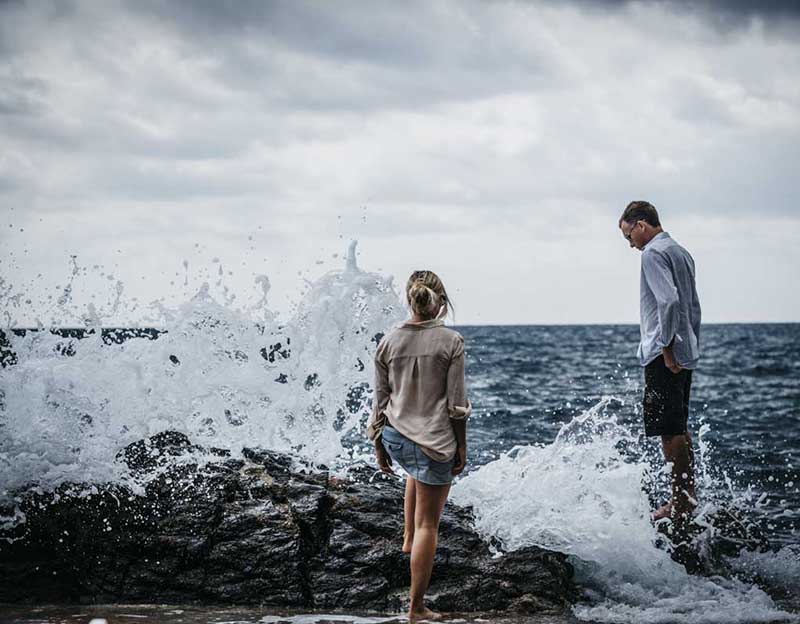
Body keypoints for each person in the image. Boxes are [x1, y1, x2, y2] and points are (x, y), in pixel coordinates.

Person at [366, 270, 470, 622]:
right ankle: (417, 608)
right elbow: (457, 406)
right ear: (439, 301)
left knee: (416, 469)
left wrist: (379, 446)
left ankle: (408, 539)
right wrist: (462, 447)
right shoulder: (451, 341)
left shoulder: (388, 340)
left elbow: (380, 402)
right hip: (433, 441)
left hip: (396, 436)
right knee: (431, 524)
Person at [619, 201, 702, 534]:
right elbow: (692, 306)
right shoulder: (681, 251)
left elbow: (668, 301)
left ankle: (679, 503)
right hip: (685, 350)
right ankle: (688, 496)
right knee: (679, 426)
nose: (630, 244)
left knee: (669, 430)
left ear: (641, 225)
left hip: (663, 352)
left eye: (629, 236)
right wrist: (687, 346)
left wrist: (666, 348)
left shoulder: (653, 253)